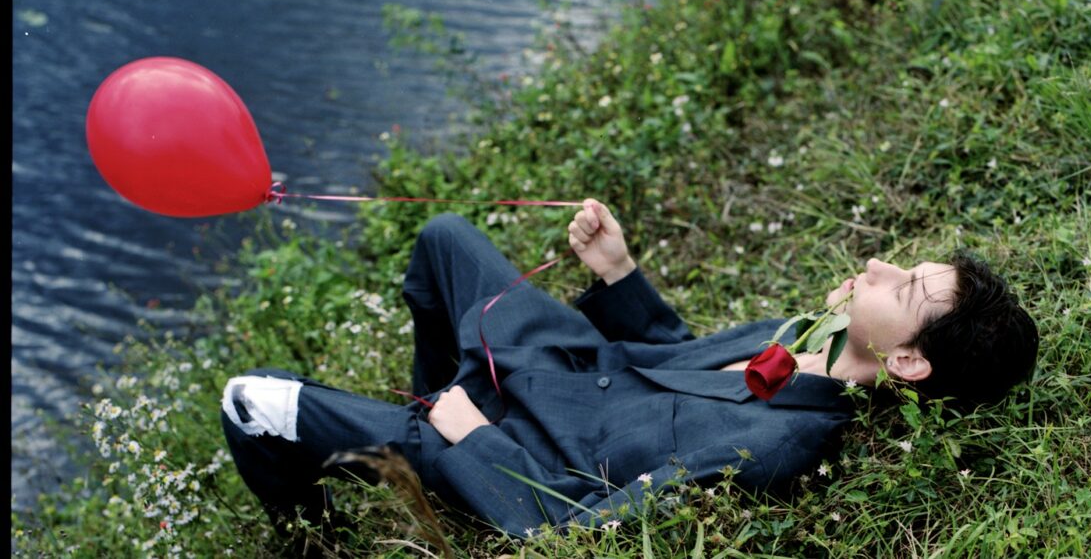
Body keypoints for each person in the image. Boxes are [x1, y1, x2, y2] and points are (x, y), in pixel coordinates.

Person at [220, 199, 1038, 539]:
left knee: (249, 399)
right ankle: (431, 394)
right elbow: (684, 362)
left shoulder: (783, 446)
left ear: (907, 362)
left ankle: (312, 535)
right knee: (443, 238)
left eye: (905, 287)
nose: (880, 264)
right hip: (573, 367)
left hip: (528, 451)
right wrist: (619, 274)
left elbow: (583, 525)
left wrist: (471, 440)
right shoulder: (817, 333)